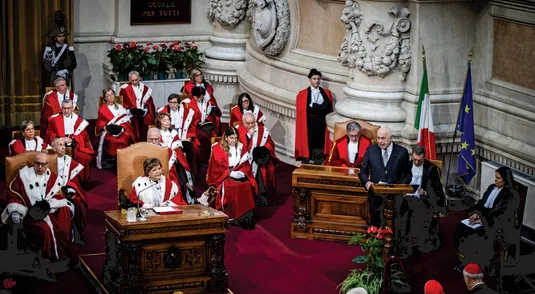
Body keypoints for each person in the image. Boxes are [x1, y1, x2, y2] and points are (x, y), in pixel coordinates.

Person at [1, 153, 74, 261]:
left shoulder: (53, 177)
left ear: (48, 164)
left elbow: (59, 196)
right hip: (30, 214)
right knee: (45, 229)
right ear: (34, 163)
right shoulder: (23, 176)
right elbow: (13, 195)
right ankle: (46, 258)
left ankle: (61, 252)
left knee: (63, 223)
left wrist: (51, 205)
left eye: (43, 164)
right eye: (38, 164)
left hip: (49, 212)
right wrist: (16, 210)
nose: (40, 167)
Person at [454, 166, 518, 271]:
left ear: (506, 180)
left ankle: (475, 265)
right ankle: (464, 260)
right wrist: (476, 213)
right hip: (484, 219)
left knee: (473, 236)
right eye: (495, 177)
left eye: (498, 178)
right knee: (461, 228)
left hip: (496, 225)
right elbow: (481, 203)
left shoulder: (511, 195)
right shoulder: (491, 187)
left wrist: (482, 220)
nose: (495, 180)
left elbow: (503, 216)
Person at [358, 127, 412, 227]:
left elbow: (408, 175)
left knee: (394, 227)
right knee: (376, 227)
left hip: (395, 199)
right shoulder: (371, 150)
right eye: (378, 138)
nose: (380, 141)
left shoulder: (402, 152)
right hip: (376, 198)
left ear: (391, 138)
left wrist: (400, 188)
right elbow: (363, 172)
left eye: (383, 138)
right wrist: (367, 183)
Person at [396, 146, 444, 258]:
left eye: (420, 160)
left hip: (422, 199)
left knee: (418, 213)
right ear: (412, 156)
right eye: (415, 160)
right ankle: (403, 243)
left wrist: (426, 192)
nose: (417, 162)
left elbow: (436, 190)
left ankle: (417, 243)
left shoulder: (431, 169)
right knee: (401, 212)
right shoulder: (406, 165)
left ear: (424, 157)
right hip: (405, 197)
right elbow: (398, 181)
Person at [207, 126, 258, 230]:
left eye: (236, 138)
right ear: (226, 137)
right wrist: (229, 173)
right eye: (231, 138)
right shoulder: (218, 148)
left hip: (237, 172)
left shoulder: (241, 146)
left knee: (246, 184)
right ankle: (234, 215)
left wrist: (242, 172)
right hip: (224, 176)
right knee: (233, 186)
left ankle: (244, 216)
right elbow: (216, 168)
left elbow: (246, 165)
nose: (234, 140)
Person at [46, 99, 94, 183]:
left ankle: (81, 181)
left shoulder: (79, 121)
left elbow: (84, 136)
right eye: (64, 108)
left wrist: (73, 139)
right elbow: (49, 134)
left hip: (75, 146)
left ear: (72, 108)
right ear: (61, 108)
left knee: (86, 158)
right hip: (59, 146)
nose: (66, 110)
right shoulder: (54, 119)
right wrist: (59, 138)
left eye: (68, 108)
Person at [51, 137, 87, 245]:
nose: (63, 147)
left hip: (67, 189)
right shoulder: (49, 161)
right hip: (53, 191)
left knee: (78, 201)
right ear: (53, 148)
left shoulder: (68, 160)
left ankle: (78, 233)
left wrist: (71, 190)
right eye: (60, 145)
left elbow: (74, 180)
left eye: (64, 145)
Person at [238, 112, 278, 206]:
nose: (251, 125)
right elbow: (237, 146)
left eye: (253, 123)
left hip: (259, 159)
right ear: (243, 122)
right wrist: (248, 136)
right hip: (244, 160)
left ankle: (262, 198)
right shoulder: (237, 130)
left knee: (267, 169)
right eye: (248, 123)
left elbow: (270, 143)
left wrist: (263, 150)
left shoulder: (262, 130)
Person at [294, 68, 334, 165]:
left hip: (322, 123)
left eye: (318, 79)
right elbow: (305, 110)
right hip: (309, 122)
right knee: (308, 142)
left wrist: (315, 107)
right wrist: (320, 108)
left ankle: (318, 163)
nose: (317, 81)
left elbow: (328, 107)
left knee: (320, 143)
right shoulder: (302, 94)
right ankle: (306, 163)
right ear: (310, 80)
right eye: (314, 78)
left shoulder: (327, 92)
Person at [147, 128, 195, 204]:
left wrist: (185, 183)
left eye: (156, 139)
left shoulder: (169, 152)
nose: (153, 141)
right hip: (148, 185)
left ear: (160, 138)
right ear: (147, 139)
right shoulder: (141, 151)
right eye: (151, 139)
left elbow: (179, 169)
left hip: (169, 183)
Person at [96, 88, 137, 169]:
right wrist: (107, 126)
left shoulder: (120, 107)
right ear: (105, 98)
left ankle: (123, 160)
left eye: (111, 94)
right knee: (113, 140)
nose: (110, 97)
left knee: (125, 138)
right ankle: (116, 159)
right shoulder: (102, 109)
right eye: (108, 95)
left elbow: (126, 119)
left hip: (122, 129)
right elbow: (99, 122)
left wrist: (122, 127)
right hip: (110, 131)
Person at [176, 86, 209, 174]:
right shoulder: (186, 104)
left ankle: (204, 162)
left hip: (197, 128)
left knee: (206, 136)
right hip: (189, 131)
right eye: (200, 96)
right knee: (196, 147)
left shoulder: (200, 102)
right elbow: (184, 122)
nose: (201, 98)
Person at [181, 68, 222, 134]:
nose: (200, 76)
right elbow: (191, 100)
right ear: (193, 77)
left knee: (215, 117)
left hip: (209, 107)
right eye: (197, 75)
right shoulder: (189, 86)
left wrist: (213, 106)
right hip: (197, 108)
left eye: (200, 74)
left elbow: (212, 98)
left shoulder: (207, 85)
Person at [119, 71, 156, 142]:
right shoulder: (125, 89)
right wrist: (129, 109)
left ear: (139, 78)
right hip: (130, 114)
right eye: (132, 80)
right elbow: (122, 102)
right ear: (129, 79)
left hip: (142, 114)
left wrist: (145, 110)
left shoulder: (145, 89)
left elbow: (149, 102)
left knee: (145, 124)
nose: (134, 82)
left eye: (136, 80)